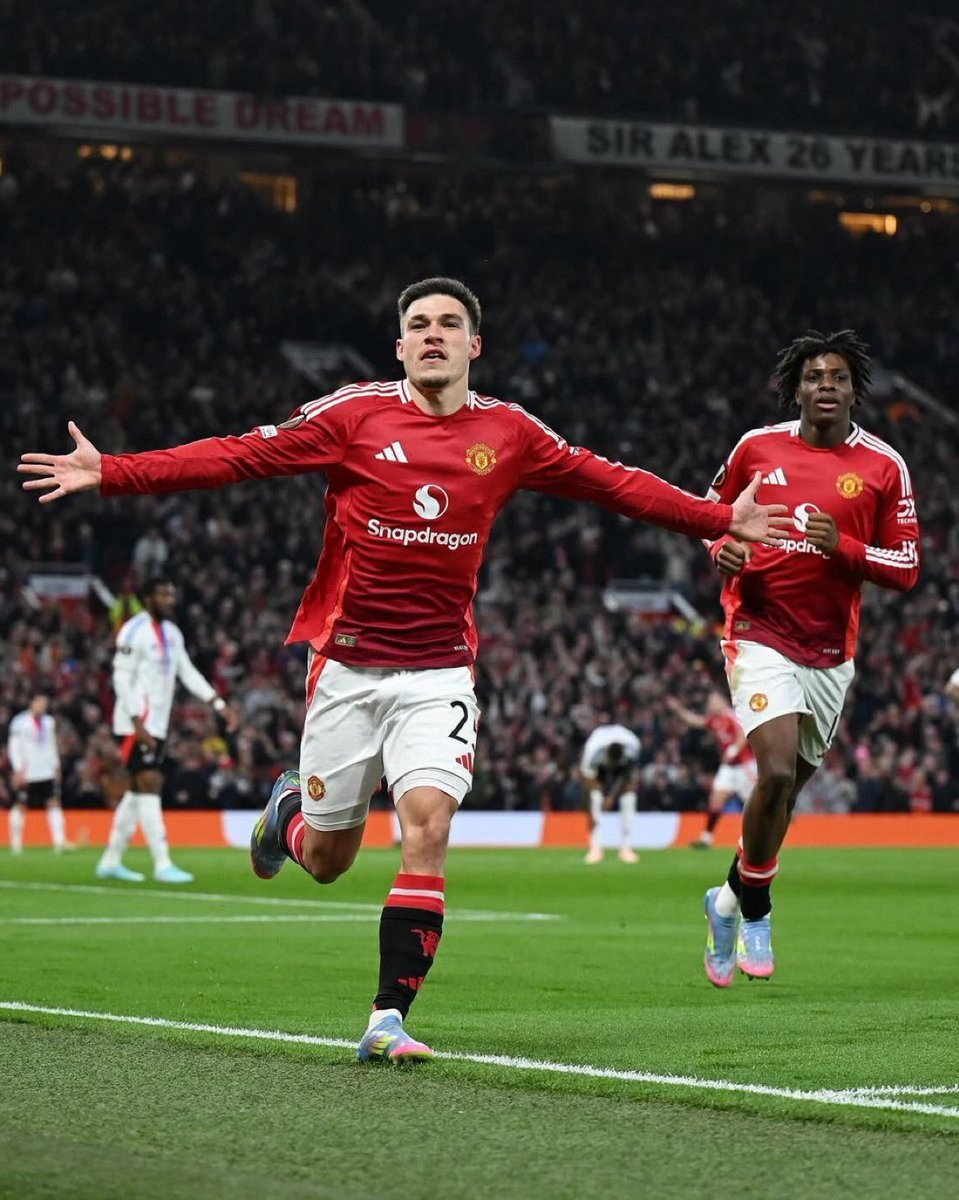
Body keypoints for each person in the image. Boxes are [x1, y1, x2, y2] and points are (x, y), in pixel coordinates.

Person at [20, 276, 791, 1061]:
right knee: (328, 861)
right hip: (347, 670)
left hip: (438, 672)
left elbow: (609, 481)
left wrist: (717, 517)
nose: (432, 334)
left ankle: (387, 1017)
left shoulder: (509, 432)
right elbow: (237, 455)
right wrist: (115, 471)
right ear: (398, 346)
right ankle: (286, 815)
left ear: (473, 345)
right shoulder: (352, 415)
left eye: (448, 324)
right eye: (418, 324)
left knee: (428, 825)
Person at [700, 330, 920, 987]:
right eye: (814, 376)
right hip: (758, 631)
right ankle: (757, 909)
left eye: (838, 377)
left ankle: (725, 901)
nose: (826, 385)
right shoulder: (755, 448)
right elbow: (710, 514)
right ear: (794, 388)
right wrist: (721, 549)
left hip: (829, 653)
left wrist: (843, 547)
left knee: (784, 795)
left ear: (855, 391)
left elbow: (906, 566)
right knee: (771, 773)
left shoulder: (883, 466)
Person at [95, 576, 237, 884]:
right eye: (163, 595)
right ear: (148, 598)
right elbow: (120, 678)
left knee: (136, 791)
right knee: (150, 784)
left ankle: (110, 860)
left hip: (156, 724)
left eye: (171, 594)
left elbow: (186, 671)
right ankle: (162, 863)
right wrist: (136, 722)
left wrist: (218, 704)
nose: (169, 600)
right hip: (135, 723)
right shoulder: (132, 631)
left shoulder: (172, 632)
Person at [666, 691, 756, 847]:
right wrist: (679, 710)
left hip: (745, 765)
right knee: (716, 800)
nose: (710, 704)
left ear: (722, 702)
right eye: (710, 702)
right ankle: (706, 838)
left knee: (754, 803)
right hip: (729, 767)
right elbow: (696, 721)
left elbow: (743, 733)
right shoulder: (714, 719)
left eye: (714, 701)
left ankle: (761, 836)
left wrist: (734, 749)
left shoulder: (731, 715)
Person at [6, 693, 69, 854]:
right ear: (32, 703)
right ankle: (16, 843)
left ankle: (59, 841)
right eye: (39, 703)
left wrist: (56, 765)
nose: (42, 706)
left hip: (46, 770)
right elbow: (14, 747)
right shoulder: (19, 722)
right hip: (27, 771)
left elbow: (52, 745)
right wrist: (18, 769)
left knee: (54, 802)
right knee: (20, 805)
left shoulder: (49, 722)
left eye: (44, 704)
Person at [579, 722, 642, 864]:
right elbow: (589, 781)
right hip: (599, 770)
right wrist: (602, 798)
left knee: (629, 797)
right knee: (595, 798)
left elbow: (628, 779)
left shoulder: (633, 747)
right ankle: (595, 848)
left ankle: (626, 848)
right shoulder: (592, 750)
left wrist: (611, 797)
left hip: (622, 769)